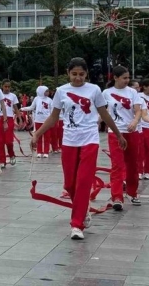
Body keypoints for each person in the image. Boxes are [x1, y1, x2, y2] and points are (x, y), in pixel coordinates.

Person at [31, 57, 126, 241]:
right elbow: (54, 117)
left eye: (81, 74)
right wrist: (37, 134)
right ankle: (83, 210)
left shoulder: (94, 90)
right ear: (68, 73)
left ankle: (77, 224)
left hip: (89, 140)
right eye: (74, 74)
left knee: (83, 182)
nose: (78, 78)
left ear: (86, 74)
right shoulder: (61, 91)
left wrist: (118, 134)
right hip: (69, 141)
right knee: (69, 185)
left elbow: (104, 114)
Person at [103, 66, 149, 210]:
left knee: (133, 164)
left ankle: (132, 192)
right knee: (117, 165)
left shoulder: (132, 92)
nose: (127, 80)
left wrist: (135, 121)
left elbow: (138, 111)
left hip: (132, 132)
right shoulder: (106, 93)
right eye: (124, 78)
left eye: (128, 78)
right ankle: (117, 197)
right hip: (115, 132)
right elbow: (103, 111)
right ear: (115, 78)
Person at [21, 86, 51, 158]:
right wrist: (22, 109)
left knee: (47, 137)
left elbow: (52, 110)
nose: (48, 92)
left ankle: (46, 152)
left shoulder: (50, 100)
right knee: (38, 136)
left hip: (47, 121)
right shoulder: (36, 99)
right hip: (38, 120)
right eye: (46, 91)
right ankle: (39, 151)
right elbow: (32, 107)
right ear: (41, 91)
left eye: (48, 91)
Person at [1, 80, 20, 165]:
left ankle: (11, 155)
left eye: (9, 87)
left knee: (9, 140)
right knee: (0, 141)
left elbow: (15, 108)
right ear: (2, 86)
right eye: (5, 86)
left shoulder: (13, 96)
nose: (7, 88)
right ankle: (2, 160)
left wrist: (19, 118)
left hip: (9, 118)